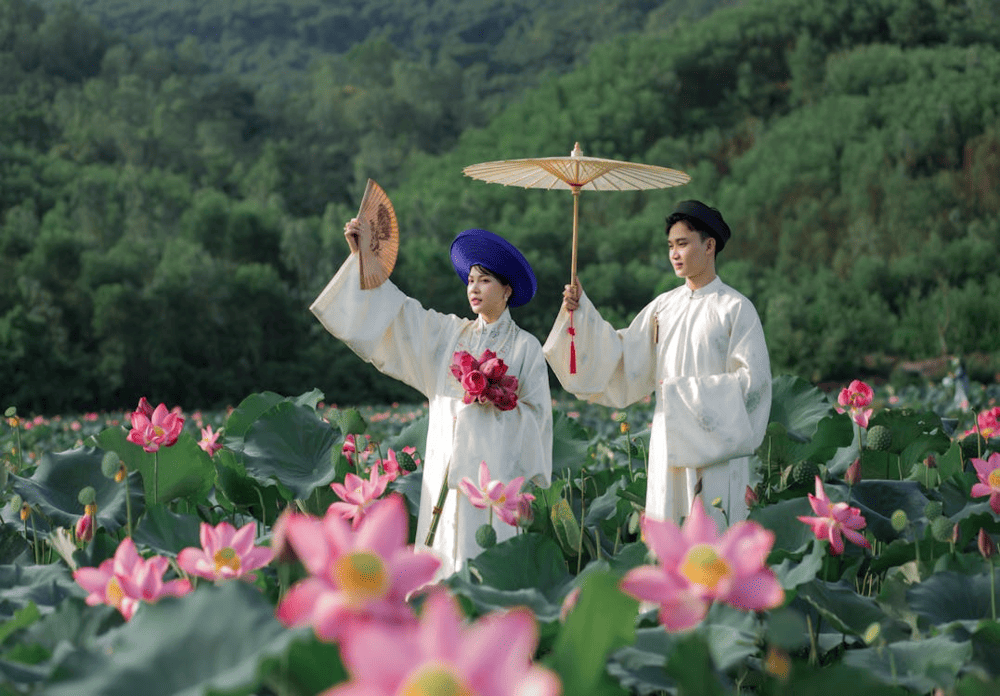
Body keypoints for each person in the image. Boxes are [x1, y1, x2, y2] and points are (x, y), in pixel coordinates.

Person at [310, 222, 552, 575]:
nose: (474, 288)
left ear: (507, 289)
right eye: (470, 280)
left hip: (495, 481)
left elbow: (538, 418)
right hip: (444, 471)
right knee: (442, 559)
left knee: (491, 564)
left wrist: (496, 400)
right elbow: (402, 315)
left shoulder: (526, 347)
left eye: (484, 280)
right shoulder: (450, 334)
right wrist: (363, 259)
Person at [543, 200, 771, 527]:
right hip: (668, 441)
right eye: (670, 246)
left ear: (709, 246)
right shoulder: (663, 307)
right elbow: (624, 355)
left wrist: (684, 397)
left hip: (717, 447)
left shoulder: (735, 308)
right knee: (668, 535)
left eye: (682, 244)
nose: (674, 254)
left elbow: (755, 385)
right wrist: (582, 312)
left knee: (715, 538)